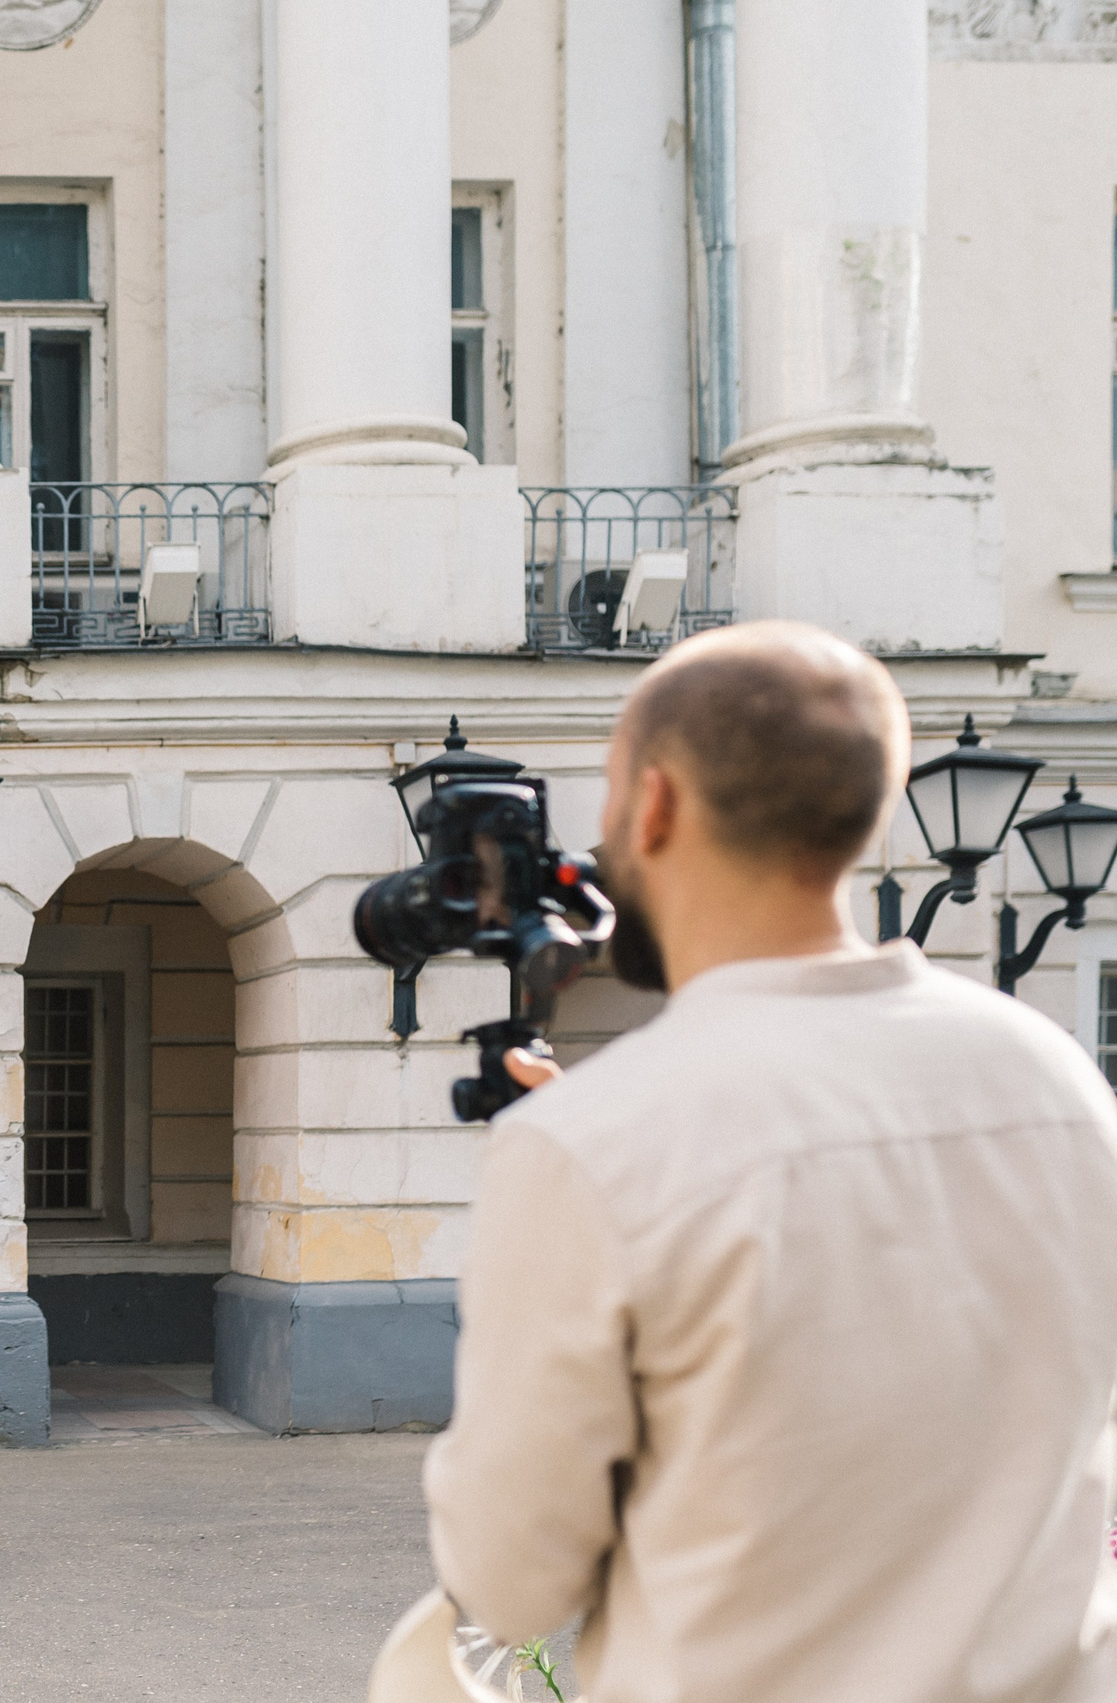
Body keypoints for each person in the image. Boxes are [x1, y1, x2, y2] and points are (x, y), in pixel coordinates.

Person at [424, 621, 1117, 1703]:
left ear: (653, 805)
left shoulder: (596, 1145)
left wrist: (577, 1189)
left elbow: (509, 1576)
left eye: (608, 803)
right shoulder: (1058, 1079)